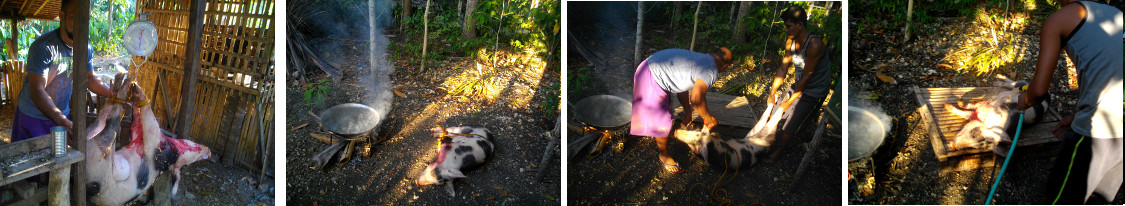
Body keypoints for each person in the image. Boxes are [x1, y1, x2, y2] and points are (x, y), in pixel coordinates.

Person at [1015, 0, 1122, 204]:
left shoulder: (1059, 19)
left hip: (1096, 134)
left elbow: (1037, 92)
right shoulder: (1116, 13)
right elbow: (1113, 72)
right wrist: (1076, 115)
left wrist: (1024, 100)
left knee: (1061, 198)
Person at [10, 0, 114, 142]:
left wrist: (112, 94)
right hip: (33, 116)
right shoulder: (44, 47)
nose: (81, 23)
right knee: (30, 159)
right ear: (62, 16)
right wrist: (61, 119)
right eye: (74, 16)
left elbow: (89, 78)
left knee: (60, 161)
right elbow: (37, 90)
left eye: (86, 18)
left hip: (61, 115)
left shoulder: (86, 48)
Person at [631, 47, 732, 174]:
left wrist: (688, 112)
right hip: (651, 75)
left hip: (647, 67)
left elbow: (681, 86)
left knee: (658, 109)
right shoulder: (712, 70)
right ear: (724, 66)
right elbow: (696, 99)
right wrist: (708, 117)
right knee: (662, 121)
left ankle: (638, 130)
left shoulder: (701, 57)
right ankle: (664, 155)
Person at [761, 6, 832, 163]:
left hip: (815, 91)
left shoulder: (814, 44)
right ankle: (767, 141)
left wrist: (790, 102)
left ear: (800, 24)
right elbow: (783, 68)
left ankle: (778, 152)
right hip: (799, 85)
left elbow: (807, 77)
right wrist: (772, 92)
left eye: (788, 26)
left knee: (790, 125)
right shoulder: (790, 42)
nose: (786, 30)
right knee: (775, 112)